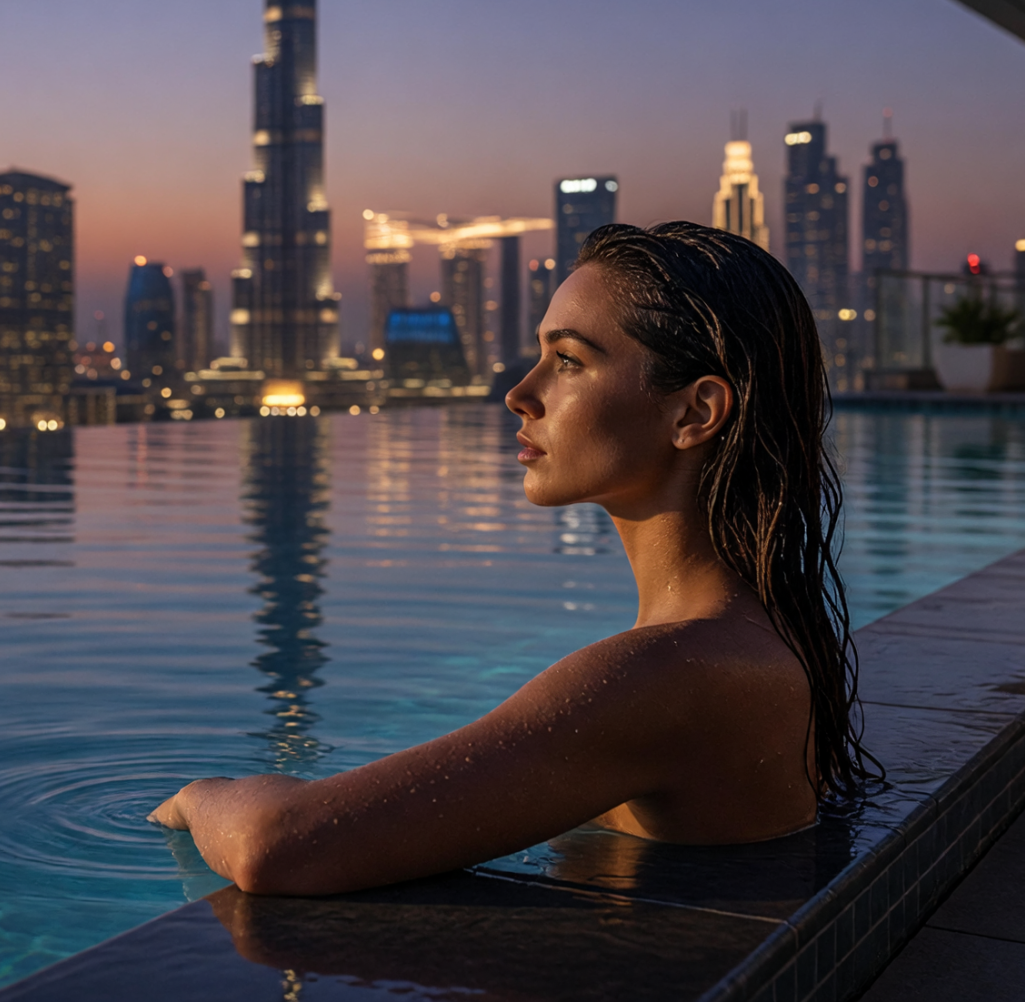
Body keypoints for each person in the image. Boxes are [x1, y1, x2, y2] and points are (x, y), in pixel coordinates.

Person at [150, 221, 879, 895]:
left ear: (694, 413)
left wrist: (196, 797)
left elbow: (279, 847)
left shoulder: (672, 672)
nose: (519, 393)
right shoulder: (759, 634)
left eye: (568, 360)